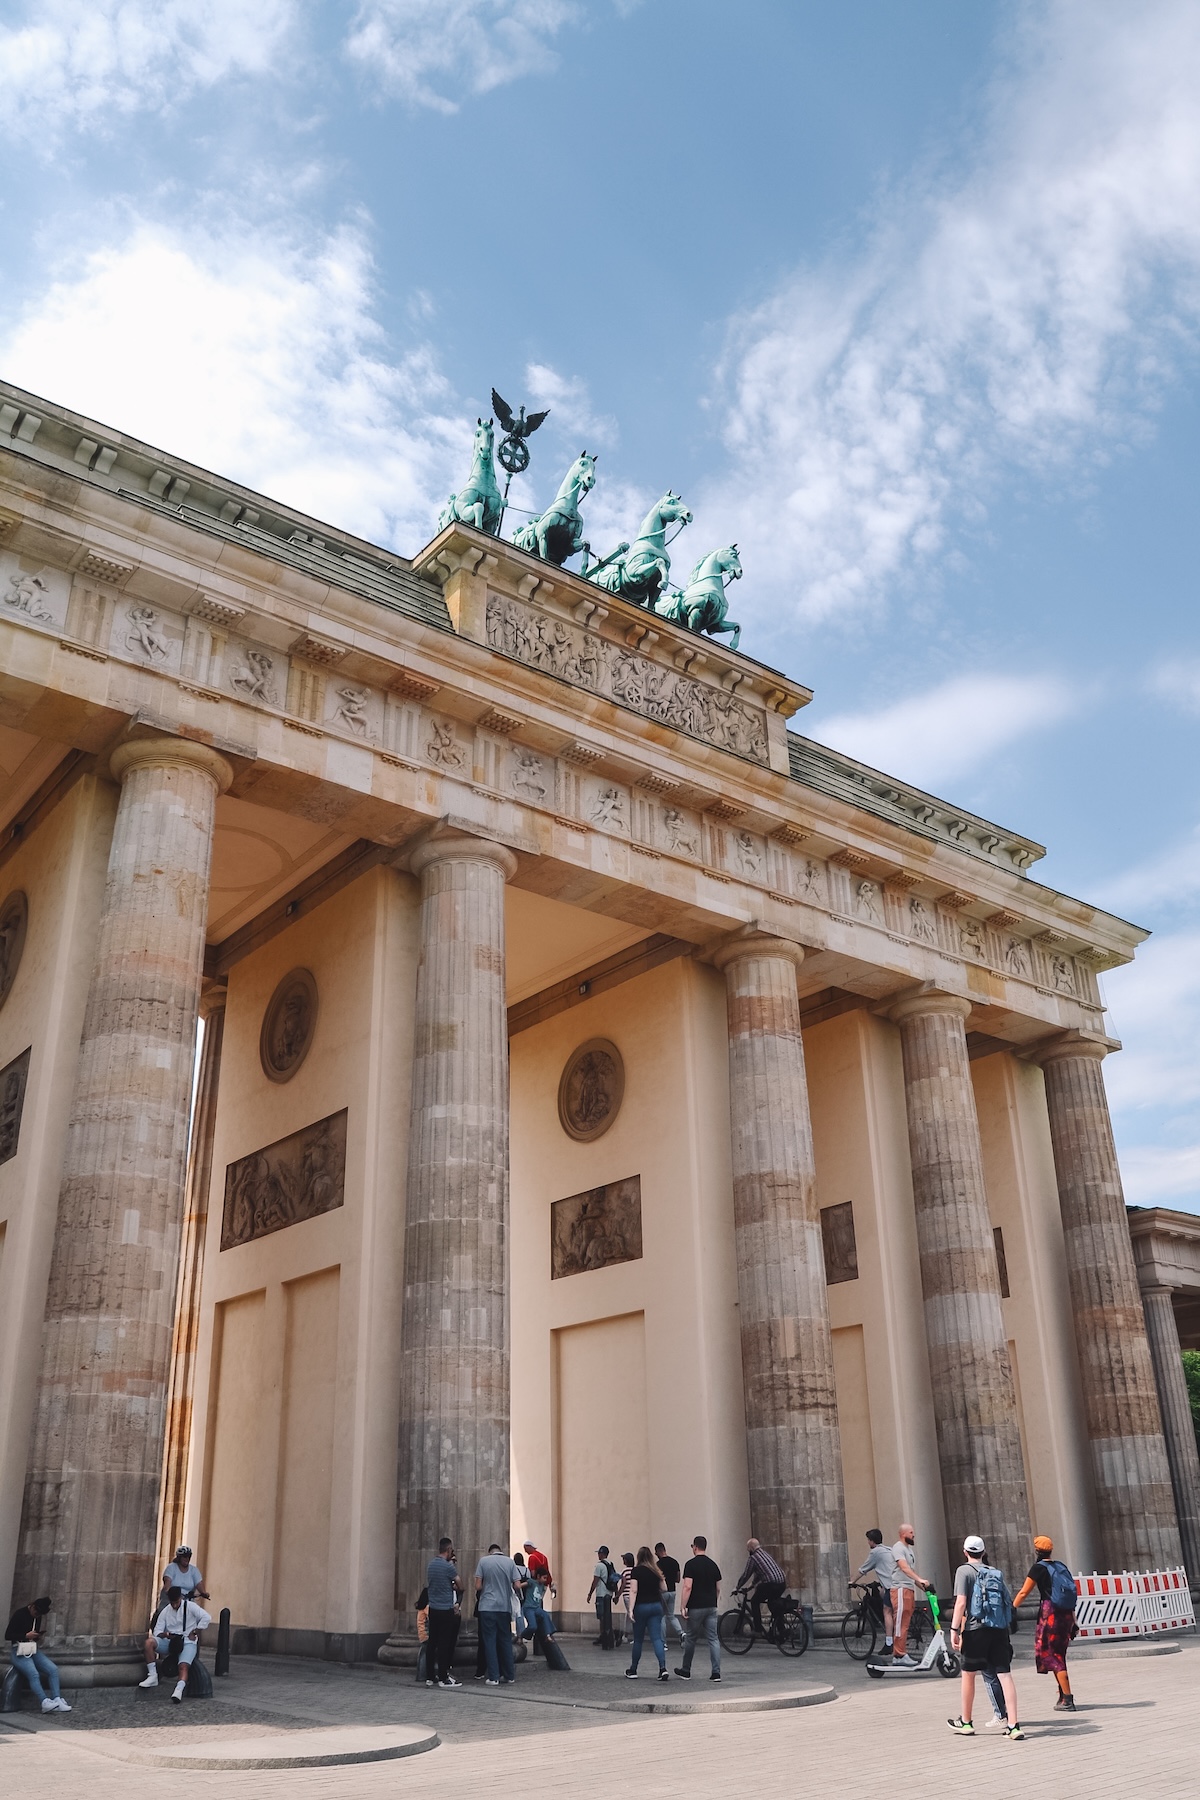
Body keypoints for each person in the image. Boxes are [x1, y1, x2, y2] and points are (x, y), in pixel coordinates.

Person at [947, 1535, 1024, 1741]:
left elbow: (961, 1603)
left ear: (965, 1552)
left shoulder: (963, 1571)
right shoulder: (994, 1572)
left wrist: (954, 1629)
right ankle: (1013, 1725)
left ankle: (966, 1722)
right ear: (983, 1552)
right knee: (1005, 1675)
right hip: (998, 1629)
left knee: (969, 1675)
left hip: (975, 1629)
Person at [1013, 1535, 1078, 1711]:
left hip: (1050, 1614)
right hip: (1065, 1615)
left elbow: (1024, 1593)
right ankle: (1062, 1695)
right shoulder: (1060, 1566)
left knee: (1055, 1656)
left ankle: (1068, 1699)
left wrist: (1012, 1609)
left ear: (1036, 1551)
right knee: (1059, 1654)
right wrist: (1074, 1621)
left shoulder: (1038, 1569)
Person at [140, 1586, 211, 1702]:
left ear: (180, 1598)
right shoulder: (166, 1611)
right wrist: (165, 1635)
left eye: (176, 1602)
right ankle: (152, 1675)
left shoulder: (190, 1607)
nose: (174, 1605)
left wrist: (195, 1631)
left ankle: (178, 1690)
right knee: (149, 1643)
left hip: (187, 1642)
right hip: (170, 1641)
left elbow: (206, 1617)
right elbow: (157, 1631)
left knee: (183, 1666)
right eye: (172, 1603)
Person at [6, 1595, 70, 1713]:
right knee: (34, 1674)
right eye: (36, 1613)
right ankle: (44, 1701)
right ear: (32, 1607)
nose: (37, 1616)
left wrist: (36, 1636)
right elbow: (8, 1635)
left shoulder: (37, 1617)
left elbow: (33, 1636)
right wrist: (25, 1635)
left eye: (40, 1615)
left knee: (53, 1669)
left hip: (31, 1649)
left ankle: (57, 1699)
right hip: (18, 1650)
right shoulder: (19, 1614)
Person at [674, 1535, 722, 1681]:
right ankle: (716, 1673)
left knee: (691, 1638)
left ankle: (686, 1670)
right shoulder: (713, 1565)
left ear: (695, 1547)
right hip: (711, 1606)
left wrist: (683, 1606)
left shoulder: (691, 1564)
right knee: (713, 1639)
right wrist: (714, 1600)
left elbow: (687, 1586)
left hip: (696, 1606)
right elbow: (718, 1587)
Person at [475, 1542, 523, 1685]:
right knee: (505, 1641)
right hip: (504, 1608)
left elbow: (478, 1586)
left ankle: (493, 1676)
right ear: (500, 1551)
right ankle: (509, 1675)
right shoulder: (510, 1562)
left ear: (490, 1552)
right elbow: (517, 1585)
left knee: (489, 1641)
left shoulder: (483, 1561)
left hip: (487, 1607)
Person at [889, 1523, 931, 1667]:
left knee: (905, 1623)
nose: (913, 1535)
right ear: (903, 1534)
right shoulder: (898, 1548)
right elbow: (904, 1568)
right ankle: (899, 1655)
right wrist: (920, 1580)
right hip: (900, 1590)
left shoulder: (909, 1550)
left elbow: (910, 1574)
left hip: (908, 1589)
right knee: (900, 1623)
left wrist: (923, 1586)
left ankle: (901, 1652)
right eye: (911, 1532)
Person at [625, 1545, 669, 1680]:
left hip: (641, 1607)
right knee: (657, 1638)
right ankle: (663, 1668)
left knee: (638, 1640)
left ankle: (633, 1669)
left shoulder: (636, 1571)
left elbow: (633, 1590)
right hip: (656, 1606)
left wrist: (630, 1609)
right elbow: (665, 1588)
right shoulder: (655, 1571)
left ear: (638, 1557)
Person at [425, 1537, 463, 1689]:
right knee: (444, 1644)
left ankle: (429, 1676)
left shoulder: (431, 1565)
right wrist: (453, 1586)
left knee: (432, 1642)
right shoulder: (449, 1567)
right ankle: (443, 1676)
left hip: (433, 1609)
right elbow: (460, 1585)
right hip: (446, 1609)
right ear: (448, 1550)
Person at [855, 1529, 899, 1652]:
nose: (868, 1543)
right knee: (882, 1594)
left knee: (887, 1611)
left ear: (871, 1541)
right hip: (897, 1585)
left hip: (891, 1587)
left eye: (868, 1540)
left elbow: (863, 1569)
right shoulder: (888, 1550)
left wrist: (851, 1582)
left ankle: (889, 1642)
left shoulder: (875, 1552)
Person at [734, 1538, 788, 1637]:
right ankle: (781, 1630)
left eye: (748, 1548)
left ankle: (758, 1629)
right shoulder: (765, 1554)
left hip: (771, 1584)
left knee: (755, 1601)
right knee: (772, 1604)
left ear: (751, 1547)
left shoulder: (753, 1558)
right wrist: (751, 1587)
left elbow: (746, 1575)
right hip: (782, 1583)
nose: (748, 1551)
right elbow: (760, 1574)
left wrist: (737, 1587)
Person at [654, 1542, 684, 1643]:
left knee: (662, 1617)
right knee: (671, 1615)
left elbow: (657, 1580)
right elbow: (678, 1579)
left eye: (656, 1553)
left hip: (663, 1593)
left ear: (659, 1551)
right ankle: (681, 1633)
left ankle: (663, 1642)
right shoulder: (675, 1562)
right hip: (673, 1591)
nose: (656, 1555)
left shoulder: (658, 1565)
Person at [586, 1545, 615, 1648]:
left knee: (601, 1617)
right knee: (607, 1616)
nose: (598, 1555)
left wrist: (590, 1593)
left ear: (602, 1554)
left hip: (601, 1594)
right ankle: (608, 1636)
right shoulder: (610, 1564)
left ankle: (603, 1636)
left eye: (599, 1553)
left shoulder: (599, 1566)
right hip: (609, 1593)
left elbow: (595, 1580)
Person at [615, 1551, 636, 1642]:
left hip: (627, 1596)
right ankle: (625, 1635)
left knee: (632, 1615)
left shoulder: (625, 1571)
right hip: (634, 1595)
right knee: (628, 1615)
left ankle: (636, 1636)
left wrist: (617, 1595)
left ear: (626, 1561)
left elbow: (623, 1584)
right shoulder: (635, 1570)